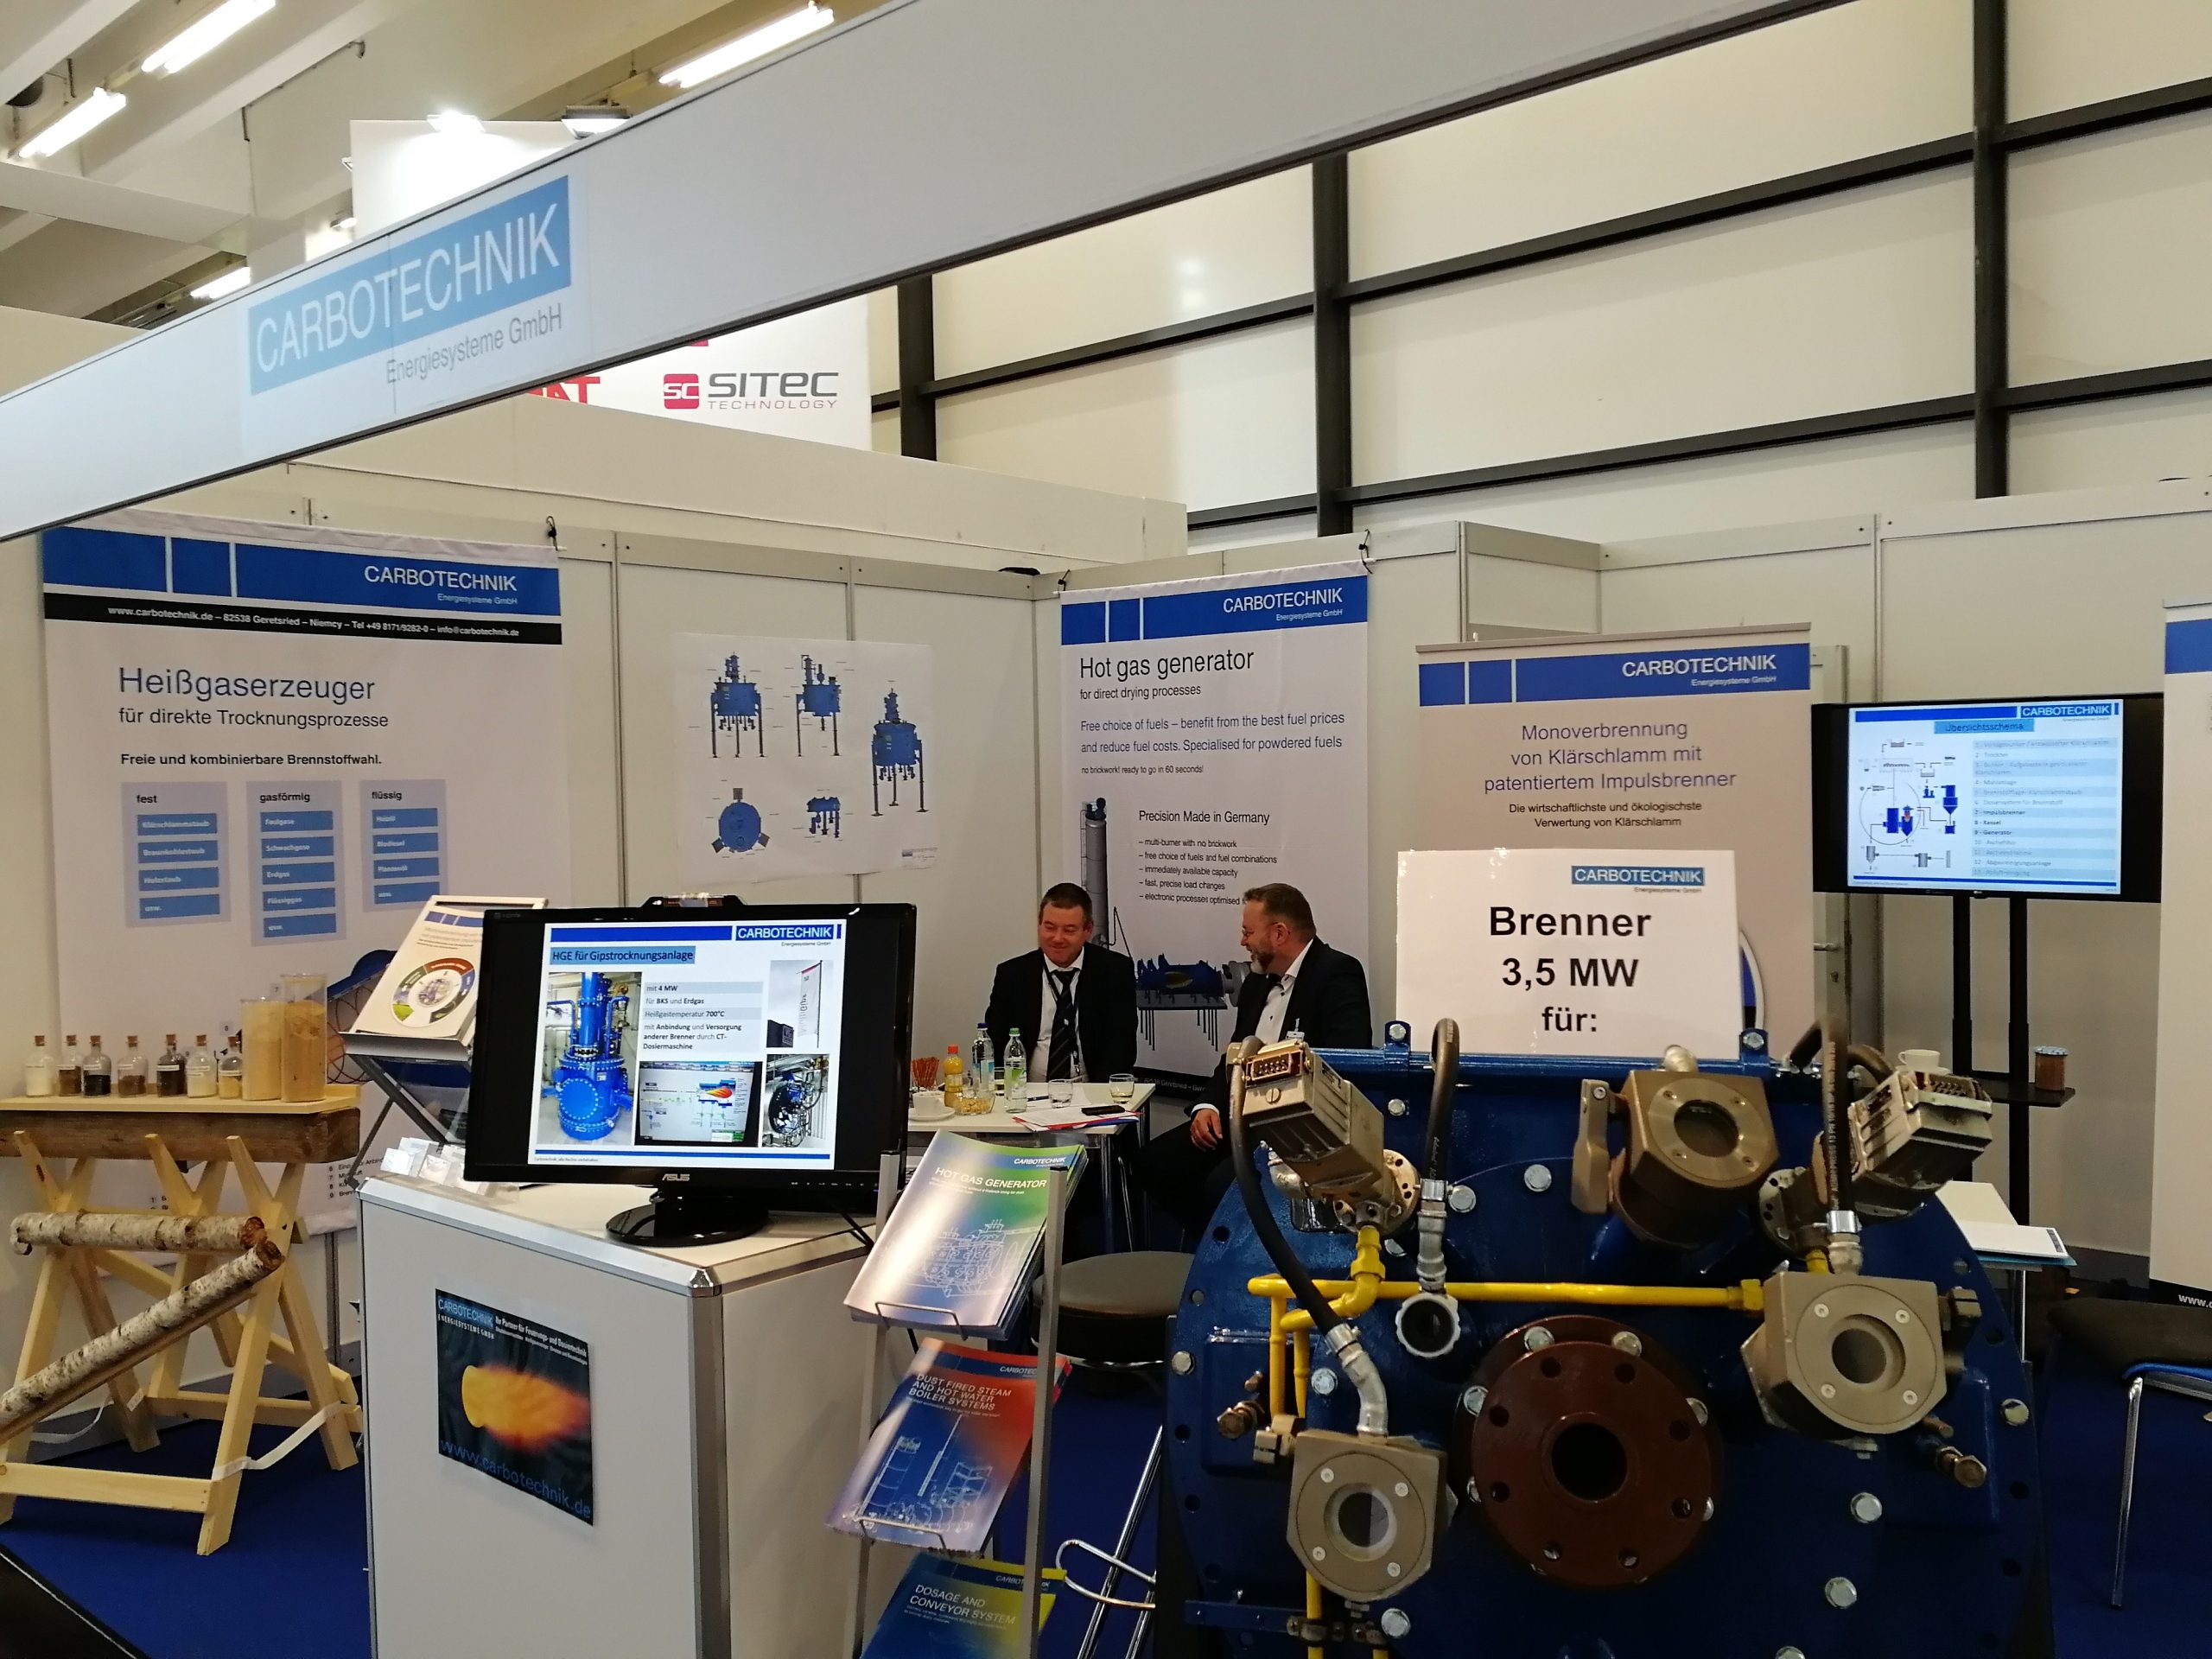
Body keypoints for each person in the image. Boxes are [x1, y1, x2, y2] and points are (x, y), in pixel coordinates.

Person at [1141, 882, 1371, 1237]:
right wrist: (1207, 1106)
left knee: (1219, 1188)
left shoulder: (1337, 973)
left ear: (1279, 934)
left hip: (1294, 1127)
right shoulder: (1256, 984)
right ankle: (1212, 1241)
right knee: (1155, 1163)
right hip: (1239, 1117)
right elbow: (1235, 1056)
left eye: (1248, 932)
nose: (1242, 942)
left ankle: (1233, 1248)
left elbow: (1346, 1062)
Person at [984, 883, 1137, 1084]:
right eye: (1049, 928)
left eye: (1069, 930)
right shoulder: (1013, 975)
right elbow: (996, 1044)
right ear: (1039, 924)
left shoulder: (1114, 971)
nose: (1057, 938)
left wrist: (1097, 1096)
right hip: (1026, 1092)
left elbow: (1122, 1046)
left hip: (1091, 1091)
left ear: (1088, 930)